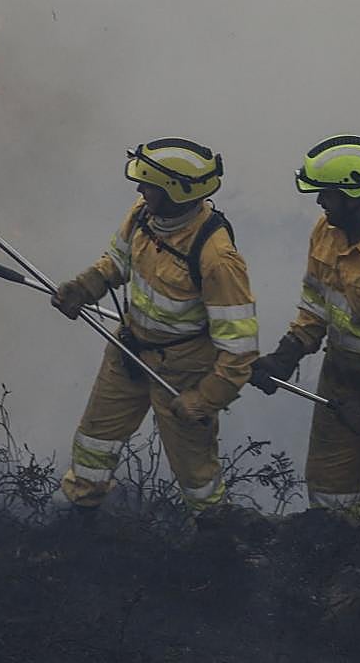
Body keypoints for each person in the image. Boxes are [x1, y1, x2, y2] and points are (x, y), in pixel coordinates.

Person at [52, 138, 259, 513]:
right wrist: (82, 288)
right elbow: (115, 262)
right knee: (93, 441)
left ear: (177, 191)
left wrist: (204, 399)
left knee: (196, 473)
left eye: (148, 184)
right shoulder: (143, 215)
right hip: (129, 351)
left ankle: (213, 535)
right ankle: (79, 518)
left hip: (184, 373)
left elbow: (239, 349)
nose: (139, 190)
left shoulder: (217, 257)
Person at [250, 135, 360, 519]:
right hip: (341, 378)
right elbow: (315, 307)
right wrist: (285, 355)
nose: (319, 201)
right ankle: (339, 561)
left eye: (326, 193)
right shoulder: (325, 233)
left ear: (355, 192)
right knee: (329, 492)